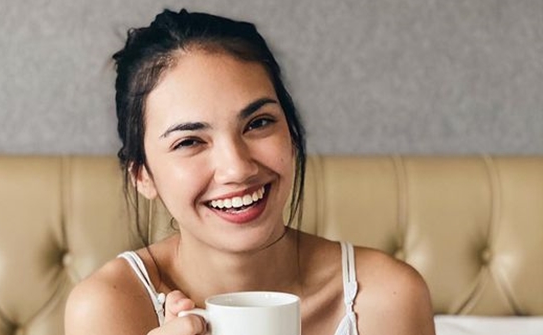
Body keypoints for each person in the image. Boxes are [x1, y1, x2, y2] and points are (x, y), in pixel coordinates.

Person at [65, 8, 435, 335]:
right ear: (142, 175)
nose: (237, 168)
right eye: (189, 141)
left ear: (291, 135)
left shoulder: (387, 297)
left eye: (258, 123)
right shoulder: (109, 307)